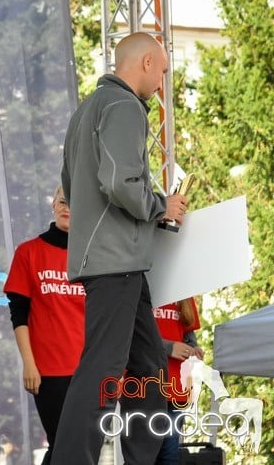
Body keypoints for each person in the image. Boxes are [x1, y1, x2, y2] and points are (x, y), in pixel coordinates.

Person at [52, 31, 189, 464]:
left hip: (117, 258)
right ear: (146, 62)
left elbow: (73, 187)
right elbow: (119, 182)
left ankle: (140, 458)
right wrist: (159, 206)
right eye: (163, 71)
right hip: (116, 259)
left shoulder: (87, 110)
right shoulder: (125, 106)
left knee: (148, 366)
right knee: (103, 368)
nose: (162, 83)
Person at [4, 186, 85, 464]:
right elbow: (19, 313)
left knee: (82, 447)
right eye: (63, 201)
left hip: (90, 368)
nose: (67, 208)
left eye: (75, 203)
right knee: (63, 443)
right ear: (53, 204)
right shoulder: (29, 252)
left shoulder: (95, 255)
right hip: (49, 370)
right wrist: (29, 363)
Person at [154, 297, 204, 465]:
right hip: (145, 386)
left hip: (176, 390)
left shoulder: (185, 296)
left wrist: (193, 350)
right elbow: (133, 336)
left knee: (169, 456)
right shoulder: (144, 289)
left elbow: (189, 338)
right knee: (144, 456)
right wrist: (169, 348)